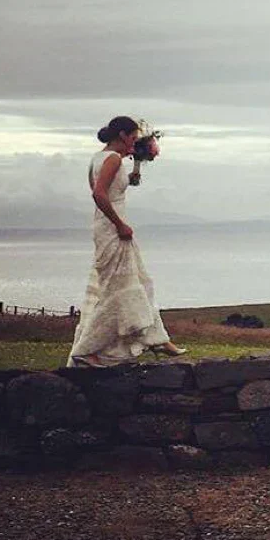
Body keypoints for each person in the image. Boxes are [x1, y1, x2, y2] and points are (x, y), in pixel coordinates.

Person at [68, 116, 185, 367]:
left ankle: (156, 338)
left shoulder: (100, 158)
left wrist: (137, 166)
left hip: (107, 225)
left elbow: (114, 188)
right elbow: (99, 194)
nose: (135, 141)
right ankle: (88, 348)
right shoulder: (110, 159)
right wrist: (119, 224)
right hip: (112, 227)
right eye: (133, 137)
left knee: (138, 281)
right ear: (122, 135)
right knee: (116, 288)